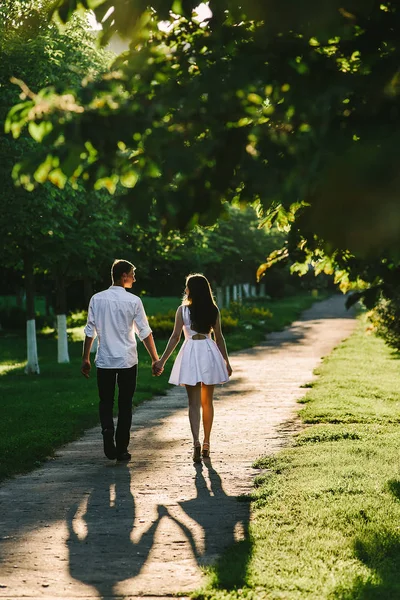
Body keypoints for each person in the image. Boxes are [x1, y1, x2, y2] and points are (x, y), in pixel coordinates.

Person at [81, 259, 160, 462]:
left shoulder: (96, 299)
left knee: (105, 402)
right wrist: (155, 359)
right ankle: (122, 448)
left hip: (105, 360)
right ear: (123, 276)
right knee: (125, 405)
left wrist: (86, 358)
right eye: (132, 273)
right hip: (127, 361)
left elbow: (90, 330)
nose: (135, 277)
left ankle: (108, 431)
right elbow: (145, 332)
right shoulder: (134, 301)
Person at [153, 273, 232, 462]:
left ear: (191, 290)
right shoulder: (213, 310)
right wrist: (226, 362)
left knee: (193, 403)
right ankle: (206, 443)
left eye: (187, 286)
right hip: (208, 350)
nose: (185, 289)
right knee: (207, 402)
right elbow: (219, 339)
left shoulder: (182, 310)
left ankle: (195, 441)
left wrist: (162, 361)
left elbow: (175, 337)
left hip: (190, 352)